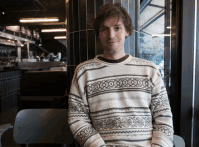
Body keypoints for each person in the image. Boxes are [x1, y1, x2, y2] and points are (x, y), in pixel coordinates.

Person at [68, 3, 174, 147]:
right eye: (104, 29)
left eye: (117, 28)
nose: (111, 35)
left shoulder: (149, 70)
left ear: (127, 31)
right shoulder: (83, 72)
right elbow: (77, 118)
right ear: (98, 34)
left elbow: (164, 117)